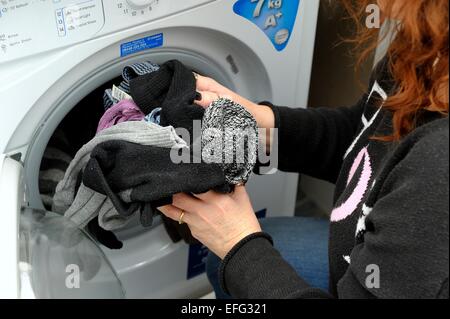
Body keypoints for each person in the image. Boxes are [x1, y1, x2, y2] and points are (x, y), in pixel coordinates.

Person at [159, 0, 449, 299]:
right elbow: (362, 136)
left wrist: (237, 242)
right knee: (222, 262)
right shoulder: (427, 48)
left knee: (233, 260)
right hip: (362, 253)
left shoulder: (438, 168)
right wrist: (254, 121)